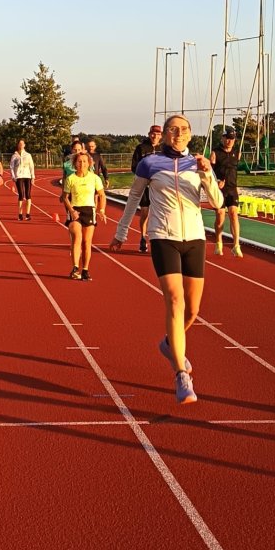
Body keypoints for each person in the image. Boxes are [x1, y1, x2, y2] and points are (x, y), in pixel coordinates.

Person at [110, 114, 223, 404]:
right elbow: (134, 197)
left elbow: (217, 202)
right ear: (166, 134)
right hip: (162, 236)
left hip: (195, 237)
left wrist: (208, 173)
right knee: (175, 300)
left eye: (183, 129)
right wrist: (122, 231)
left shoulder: (197, 164)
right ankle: (180, 374)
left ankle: (170, 343)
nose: (178, 134)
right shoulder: (150, 162)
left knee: (194, 310)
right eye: (173, 129)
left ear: (190, 134)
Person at [63, 150, 107, 280]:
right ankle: (75, 267)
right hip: (75, 210)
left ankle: (85, 269)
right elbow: (65, 197)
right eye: (79, 161)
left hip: (89, 210)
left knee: (87, 242)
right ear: (75, 164)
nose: (81, 164)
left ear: (89, 163)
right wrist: (71, 210)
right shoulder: (70, 179)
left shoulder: (95, 178)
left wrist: (102, 210)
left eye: (84, 161)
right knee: (77, 236)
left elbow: (102, 195)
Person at [131, 124, 164, 252]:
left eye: (157, 134)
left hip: (160, 186)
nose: (155, 136)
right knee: (144, 212)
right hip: (145, 184)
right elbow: (134, 166)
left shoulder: (164, 148)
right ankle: (143, 237)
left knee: (160, 213)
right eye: (152, 133)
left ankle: (159, 239)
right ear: (149, 134)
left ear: (161, 135)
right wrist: (145, 177)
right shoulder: (141, 148)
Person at [211, 127, 242, 257]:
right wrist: (216, 180)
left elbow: (234, 171)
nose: (229, 141)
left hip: (232, 188)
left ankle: (236, 245)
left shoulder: (237, 153)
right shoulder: (215, 153)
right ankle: (218, 242)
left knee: (234, 214)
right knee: (220, 216)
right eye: (227, 138)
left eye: (232, 139)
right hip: (219, 189)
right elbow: (209, 171)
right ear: (222, 138)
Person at [10, 138, 36, 220]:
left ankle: (28, 214)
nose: (21, 145)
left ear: (24, 145)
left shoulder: (28, 155)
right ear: (18, 145)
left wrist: (33, 177)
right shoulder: (14, 155)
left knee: (28, 195)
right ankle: (20, 214)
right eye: (19, 144)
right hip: (19, 176)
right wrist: (13, 176)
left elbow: (31, 166)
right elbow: (11, 167)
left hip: (27, 176)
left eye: (22, 144)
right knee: (21, 194)